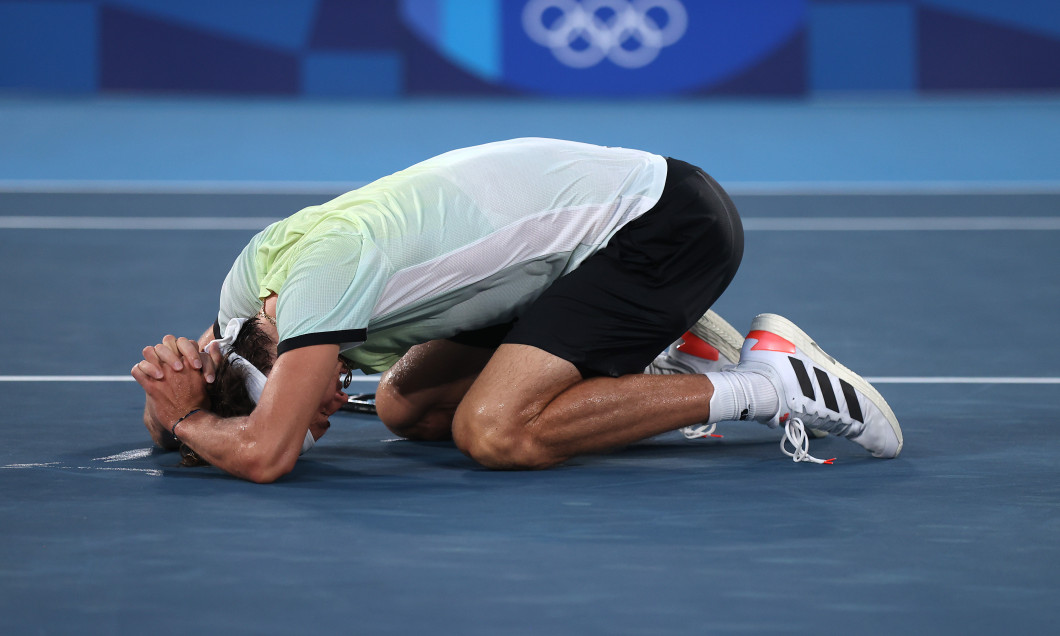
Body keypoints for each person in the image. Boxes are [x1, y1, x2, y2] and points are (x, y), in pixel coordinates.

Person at [132, 138, 902, 483]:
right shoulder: (249, 303)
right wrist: (172, 410)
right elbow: (196, 384)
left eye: (314, 404)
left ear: (283, 355)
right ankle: (663, 361)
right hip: (566, 265)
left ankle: (773, 383)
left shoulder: (321, 274)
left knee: (494, 432)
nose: (328, 409)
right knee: (405, 407)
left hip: (663, 228)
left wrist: (191, 425)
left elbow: (267, 454)